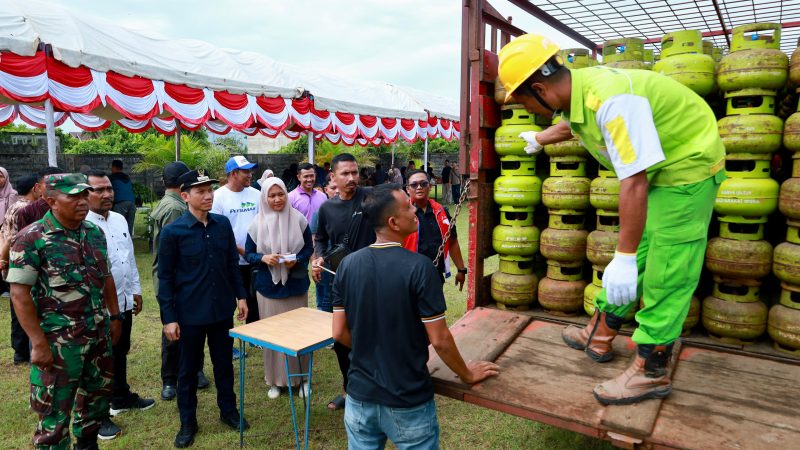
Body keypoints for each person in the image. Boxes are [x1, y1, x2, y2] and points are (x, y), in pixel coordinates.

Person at [498, 34, 725, 405]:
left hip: (687, 168)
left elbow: (633, 180)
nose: (528, 109)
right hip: (659, 170)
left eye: (524, 102)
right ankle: (600, 333)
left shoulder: (612, 100)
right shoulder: (579, 92)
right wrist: (540, 138)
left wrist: (623, 257)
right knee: (642, 247)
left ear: (539, 89)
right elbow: (574, 125)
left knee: (668, 267)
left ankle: (651, 370)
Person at [332, 183, 499, 448]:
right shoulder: (420, 268)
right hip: (407, 402)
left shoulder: (347, 265)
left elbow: (339, 332)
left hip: (359, 399)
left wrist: (374, 350)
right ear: (393, 222)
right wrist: (467, 374)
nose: (414, 210)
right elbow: (440, 339)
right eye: (408, 207)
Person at [7, 173, 123, 450]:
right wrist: (37, 343)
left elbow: (106, 276)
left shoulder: (93, 233)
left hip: (97, 335)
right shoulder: (31, 238)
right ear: (51, 201)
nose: (82, 201)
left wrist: (115, 316)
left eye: (84, 195)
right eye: (73, 196)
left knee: (95, 406)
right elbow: (19, 294)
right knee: (54, 419)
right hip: (58, 344)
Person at [157, 169, 250, 448]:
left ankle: (228, 410)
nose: (208, 195)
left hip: (221, 310)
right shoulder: (173, 232)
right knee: (187, 371)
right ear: (185, 196)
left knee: (224, 365)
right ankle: (188, 422)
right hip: (189, 314)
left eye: (210, 190)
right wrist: (169, 318)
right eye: (201, 191)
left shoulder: (222, 225)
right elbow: (165, 277)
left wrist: (241, 296)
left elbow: (232, 263)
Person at [84, 170, 155, 440]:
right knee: (99, 360)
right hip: (97, 306)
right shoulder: (82, 226)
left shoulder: (119, 219)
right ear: (85, 194)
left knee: (120, 350)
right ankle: (99, 417)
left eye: (109, 189)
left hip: (123, 299)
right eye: (99, 190)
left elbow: (128, 258)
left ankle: (120, 396)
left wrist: (136, 290)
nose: (107, 194)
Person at [311, 153, 376, 411]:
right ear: (333, 177)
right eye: (345, 173)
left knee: (374, 336)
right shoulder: (327, 208)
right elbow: (321, 238)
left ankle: (375, 388)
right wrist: (319, 257)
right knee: (341, 341)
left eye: (354, 172)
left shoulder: (371, 197)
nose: (351, 178)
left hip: (373, 281)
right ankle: (349, 390)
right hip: (341, 282)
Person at [244, 177, 314, 399]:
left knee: (299, 333)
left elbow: (308, 249)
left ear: (286, 194)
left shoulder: (299, 219)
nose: (277, 199)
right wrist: (263, 258)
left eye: (281, 194)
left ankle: (302, 379)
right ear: (264, 198)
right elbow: (249, 254)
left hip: (295, 285)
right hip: (268, 288)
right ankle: (274, 380)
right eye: (272, 195)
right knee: (272, 335)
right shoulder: (256, 224)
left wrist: (297, 260)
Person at [150, 162, 210, 401]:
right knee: (175, 331)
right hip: (177, 281)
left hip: (178, 280)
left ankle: (193, 370)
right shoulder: (176, 209)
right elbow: (177, 254)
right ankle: (171, 378)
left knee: (192, 327)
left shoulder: (168, 202)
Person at [212, 156, 260, 331]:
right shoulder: (218, 197)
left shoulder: (257, 194)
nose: (250, 174)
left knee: (254, 301)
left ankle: (254, 336)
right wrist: (240, 250)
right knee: (228, 302)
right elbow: (217, 233)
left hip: (254, 260)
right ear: (233, 173)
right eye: (246, 171)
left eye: (250, 170)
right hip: (230, 262)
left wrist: (252, 253)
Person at [403, 170, 468, 290]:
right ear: (407, 189)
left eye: (423, 183)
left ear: (430, 186)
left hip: (435, 275)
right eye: (414, 185)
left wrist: (461, 269)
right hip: (409, 277)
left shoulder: (442, 212)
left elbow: (452, 241)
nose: (419, 187)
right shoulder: (401, 214)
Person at [0, 174, 39, 365]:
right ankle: (23, 351)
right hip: (19, 261)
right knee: (24, 307)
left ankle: (19, 351)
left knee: (17, 307)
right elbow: (14, 239)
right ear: (34, 188)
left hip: (9, 260)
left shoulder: (13, 205)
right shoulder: (26, 209)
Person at [311, 177, 337, 313]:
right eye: (333, 188)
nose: (337, 191)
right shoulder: (320, 212)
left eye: (339, 187)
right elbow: (314, 241)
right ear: (326, 190)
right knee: (325, 303)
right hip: (325, 266)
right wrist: (315, 265)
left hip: (344, 265)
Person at [16, 167, 65, 232]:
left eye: (60, 184)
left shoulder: (70, 206)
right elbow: (24, 236)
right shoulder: (27, 212)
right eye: (50, 184)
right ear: (38, 187)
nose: (55, 187)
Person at [109, 160, 137, 235]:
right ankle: (128, 241)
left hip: (120, 203)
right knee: (129, 227)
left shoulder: (112, 177)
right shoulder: (127, 177)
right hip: (132, 203)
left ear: (113, 167)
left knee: (119, 226)